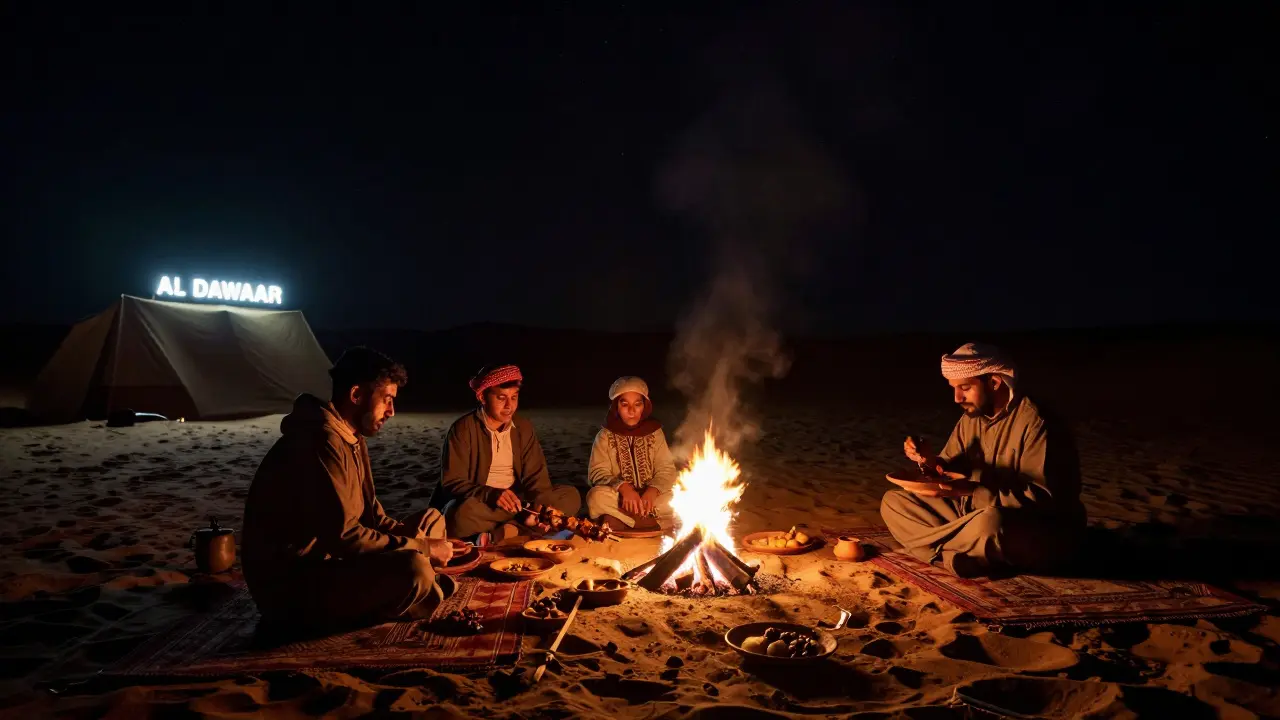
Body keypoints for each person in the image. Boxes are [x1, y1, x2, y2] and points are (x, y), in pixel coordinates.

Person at [242, 347, 455, 631]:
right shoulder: (321, 440)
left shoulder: (350, 437)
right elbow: (345, 537)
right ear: (356, 395)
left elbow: (373, 517)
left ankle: (413, 588)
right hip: (294, 586)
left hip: (332, 564)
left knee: (433, 521)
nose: (391, 412)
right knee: (414, 569)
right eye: (387, 400)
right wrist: (422, 548)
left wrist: (415, 537)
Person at [880, 342, 1086, 578]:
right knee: (894, 502)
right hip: (971, 513)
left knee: (991, 523)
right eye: (954, 388)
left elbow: (1045, 498)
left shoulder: (1038, 422)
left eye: (965, 388)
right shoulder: (972, 417)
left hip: (1035, 526)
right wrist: (927, 460)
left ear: (994, 382)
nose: (957, 398)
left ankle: (940, 551)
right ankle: (957, 555)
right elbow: (947, 468)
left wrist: (974, 492)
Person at [438, 364, 582, 539]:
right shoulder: (463, 429)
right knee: (458, 516)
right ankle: (518, 528)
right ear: (483, 397)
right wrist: (492, 494)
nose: (509, 406)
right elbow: (452, 482)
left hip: (520, 502)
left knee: (570, 495)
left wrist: (540, 507)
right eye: (501, 398)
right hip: (484, 503)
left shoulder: (523, 428)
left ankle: (506, 531)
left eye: (514, 397)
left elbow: (537, 478)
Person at [586, 376, 678, 532]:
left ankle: (621, 521)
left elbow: (667, 469)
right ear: (616, 407)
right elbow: (597, 473)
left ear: (645, 406)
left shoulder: (655, 433)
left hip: (652, 500)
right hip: (620, 499)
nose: (632, 411)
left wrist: (652, 491)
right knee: (595, 497)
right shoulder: (605, 435)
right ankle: (647, 522)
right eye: (624, 404)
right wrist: (623, 488)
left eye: (637, 404)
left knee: (680, 496)